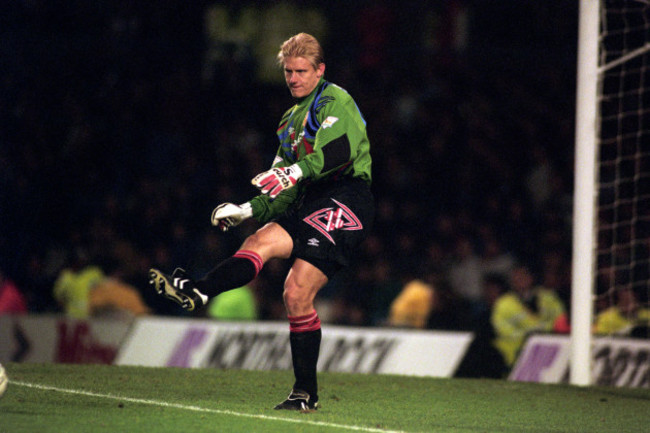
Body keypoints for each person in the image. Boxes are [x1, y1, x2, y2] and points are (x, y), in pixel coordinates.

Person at [149, 32, 374, 411]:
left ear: (320, 70)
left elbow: (337, 153)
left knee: (297, 288)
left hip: (344, 196)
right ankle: (198, 291)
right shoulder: (289, 121)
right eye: (288, 71)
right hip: (307, 198)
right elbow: (281, 187)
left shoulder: (335, 99)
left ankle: (305, 393)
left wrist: (294, 173)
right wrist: (248, 209)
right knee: (259, 246)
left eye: (302, 70)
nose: (293, 78)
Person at [490, 263, 565, 367]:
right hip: (515, 353)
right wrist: (530, 335)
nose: (519, 279)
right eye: (515, 276)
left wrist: (543, 333)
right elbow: (502, 330)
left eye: (523, 275)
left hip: (550, 347)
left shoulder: (548, 297)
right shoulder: (503, 303)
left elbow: (560, 319)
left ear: (531, 277)